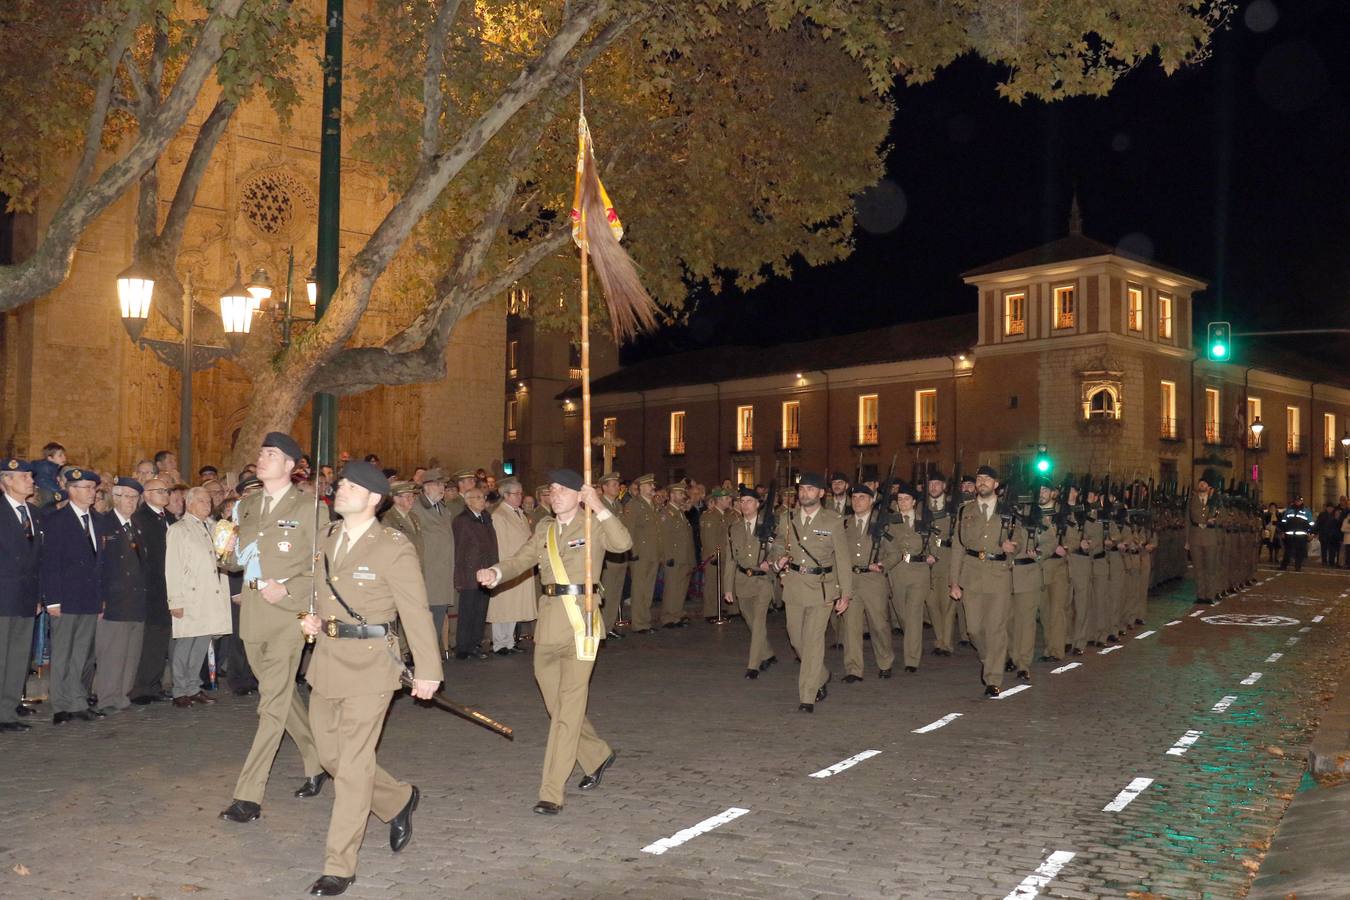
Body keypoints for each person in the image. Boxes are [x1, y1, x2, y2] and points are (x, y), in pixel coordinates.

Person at [296, 462, 441, 896]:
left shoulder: (393, 546)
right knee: (330, 756)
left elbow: (415, 610)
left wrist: (429, 670)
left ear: (374, 499)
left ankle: (339, 864)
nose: (340, 489)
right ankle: (397, 799)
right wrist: (310, 618)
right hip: (326, 661)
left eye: (351, 486)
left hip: (372, 664)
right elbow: (317, 593)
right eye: (340, 484)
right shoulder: (327, 538)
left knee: (355, 767)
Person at [478, 469, 630, 815]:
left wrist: (600, 506)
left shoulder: (593, 525)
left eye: (563, 489)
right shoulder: (545, 529)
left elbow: (623, 544)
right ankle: (597, 754)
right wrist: (496, 573)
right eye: (552, 490)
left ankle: (551, 791)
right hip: (548, 626)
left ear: (580, 494)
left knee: (566, 712)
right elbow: (521, 559)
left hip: (582, 625)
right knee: (556, 706)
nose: (554, 494)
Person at [219, 432, 328, 824]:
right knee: (281, 697)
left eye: (271, 454)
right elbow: (236, 561)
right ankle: (317, 760)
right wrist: (225, 550)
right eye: (261, 451)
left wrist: (290, 589)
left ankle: (248, 795)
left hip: (288, 615)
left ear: (290, 466)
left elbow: (321, 563)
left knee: (269, 707)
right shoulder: (246, 506)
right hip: (252, 612)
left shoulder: (311, 507)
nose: (262, 458)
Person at [770, 472, 851, 713]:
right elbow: (775, 546)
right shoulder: (787, 518)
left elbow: (843, 559)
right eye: (802, 489)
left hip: (822, 588)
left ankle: (807, 695)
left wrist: (845, 593)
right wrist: (777, 563)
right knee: (796, 640)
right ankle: (822, 675)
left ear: (821, 493)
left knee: (814, 642)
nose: (805, 493)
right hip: (794, 585)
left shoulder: (832, 520)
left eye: (810, 489)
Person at [39, 467, 108, 723]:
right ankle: (60, 705)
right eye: (86, 488)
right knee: (63, 653)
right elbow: (51, 563)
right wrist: (53, 599)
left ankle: (77, 700)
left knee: (81, 654)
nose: (92, 493)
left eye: (93, 488)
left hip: (89, 598)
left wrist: (101, 599)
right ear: (71, 490)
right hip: (66, 598)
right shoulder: (56, 521)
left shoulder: (98, 521)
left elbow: (99, 564)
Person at [949, 465, 1014, 697]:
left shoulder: (1009, 510)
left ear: (996, 484)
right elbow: (957, 547)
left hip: (998, 574)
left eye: (987, 479)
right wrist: (954, 582)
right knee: (974, 629)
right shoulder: (965, 511)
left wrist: (1011, 548)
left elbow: (1023, 539)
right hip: (972, 573)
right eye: (979, 479)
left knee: (995, 628)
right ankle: (990, 659)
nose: (982, 482)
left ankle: (993, 678)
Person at [166, 487, 232, 707]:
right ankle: (179, 689)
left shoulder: (214, 527)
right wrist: (175, 600)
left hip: (210, 595)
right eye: (202, 501)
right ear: (189, 503)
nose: (207, 505)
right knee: (185, 643)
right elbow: (173, 567)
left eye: (209, 501)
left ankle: (194, 686)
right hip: (190, 595)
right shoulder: (179, 530)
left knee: (202, 643)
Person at [93, 477, 148, 714]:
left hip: (135, 599)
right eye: (126, 497)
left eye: (135, 497)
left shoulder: (136, 525)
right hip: (114, 598)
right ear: (115, 498)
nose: (131, 501)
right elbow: (99, 565)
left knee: (131, 652)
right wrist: (100, 598)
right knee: (112, 652)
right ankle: (107, 697)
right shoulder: (104, 524)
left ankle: (122, 695)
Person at [0, 459, 41, 733]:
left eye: (29, 475)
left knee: (17, 657)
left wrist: (39, 595)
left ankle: (8, 710)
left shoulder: (34, 514)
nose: (30, 480)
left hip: (26, 596)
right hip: (3, 594)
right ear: (5, 481)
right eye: (23, 476)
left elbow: (39, 559)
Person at [843, 484, 899, 681]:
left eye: (862, 497)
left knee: (879, 625)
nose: (857, 501)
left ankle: (885, 661)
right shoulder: (845, 524)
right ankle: (853, 669)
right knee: (851, 627)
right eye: (855, 497)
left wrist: (883, 564)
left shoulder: (881, 524)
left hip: (874, 580)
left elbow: (895, 553)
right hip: (850, 580)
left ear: (871, 500)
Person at [723, 486, 777, 679]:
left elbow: (779, 549)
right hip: (742, 580)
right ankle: (768, 653)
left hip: (763, 580)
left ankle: (753, 665)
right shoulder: (734, 528)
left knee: (759, 621)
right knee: (751, 622)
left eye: (749, 501)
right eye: (742, 501)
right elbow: (730, 559)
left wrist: (769, 562)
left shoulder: (768, 525)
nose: (745, 505)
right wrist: (727, 588)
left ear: (758, 504)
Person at [409, 469, 455, 659]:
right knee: (425, 618)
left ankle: (430, 655)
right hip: (428, 574)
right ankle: (421, 657)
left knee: (437, 615)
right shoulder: (417, 509)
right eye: (438, 484)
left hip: (442, 574)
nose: (442, 488)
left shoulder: (443, 509)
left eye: (443, 485)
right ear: (426, 487)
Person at [882, 484, 927, 675]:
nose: (902, 502)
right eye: (899, 499)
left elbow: (936, 541)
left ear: (914, 502)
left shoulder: (923, 520)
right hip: (897, 571)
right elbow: (885, 545)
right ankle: (913, 644)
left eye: (906, 499)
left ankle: (912, 659)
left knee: (914, 614)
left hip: (919, 571)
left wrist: (934, 554)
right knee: (902, 615)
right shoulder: (890, 522)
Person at [488, 479, 534, 655]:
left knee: (515, 605)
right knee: (503, 605)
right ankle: (499, 642)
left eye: (521, 493)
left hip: (520, 563)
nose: (520, 496)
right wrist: (506, 566)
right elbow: (500, 544)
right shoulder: (499, 515)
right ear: (505, 495)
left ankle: (510, 640)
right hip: (508, 563)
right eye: (516, 493)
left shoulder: (519, 513)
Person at [452, 487, 497, 660]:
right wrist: (459, 576)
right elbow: (460, 550)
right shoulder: (462, 521)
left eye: (483, 497)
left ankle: (475, 644)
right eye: (478, 497)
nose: (482, 500)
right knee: (468, 611)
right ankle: (463, 647)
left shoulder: (485, 518)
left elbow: (492, 545)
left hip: (487, 571)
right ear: (468, 501)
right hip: (470, 573)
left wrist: (495, 567)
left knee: (480, 610)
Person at [622, 474, 662, 633]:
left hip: (652, 553)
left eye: (653, 485)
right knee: (639, 590)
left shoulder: (652, 505)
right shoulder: (634, 505)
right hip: (640, 554)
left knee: (648, 589)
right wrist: (632, 552)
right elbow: (629, 529)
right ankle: (639, 624)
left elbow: (657, 532)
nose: (653, 487)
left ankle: (645, 620)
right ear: (641, 487)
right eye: (649, 485)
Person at [659, 483, 696, 628]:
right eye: (680, 494)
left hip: (683, 556)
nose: (683, 496)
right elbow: (665, 537)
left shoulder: (680, 513)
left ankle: (677, 613)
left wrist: (690, 558)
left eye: (683, 494)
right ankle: (668, 617)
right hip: (673, 557)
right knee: (672, 588)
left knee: (681, 588)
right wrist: (667, 556)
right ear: (672, 495)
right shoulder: (666, 513)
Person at [596, 473, 628, 639]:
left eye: (618, 484)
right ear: (604, 487)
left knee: (615, 593)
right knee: (604, 594)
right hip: (607, 556)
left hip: (620, 555)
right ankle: (600, 628)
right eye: (614, 484)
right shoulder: (599, 505)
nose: (617, 487)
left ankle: (608, 625)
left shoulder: (617, 505)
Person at [699, 488, 736, 622]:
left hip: (726, 555)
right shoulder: (709, 515)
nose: (730, 500)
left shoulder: (727, 515)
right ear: (719, 500)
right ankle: (711, 612)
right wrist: (713, 555)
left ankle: (726, 608)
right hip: (714, 556)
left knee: (725, 583)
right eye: (726, 499)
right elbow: (708, 539)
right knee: (712, 584)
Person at [1186, 470, 1221, 604]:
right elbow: (1188, 519)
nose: (1201, 485)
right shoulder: (1192, 499)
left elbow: (1222, 517)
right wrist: (1187, 540)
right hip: (1195, 537)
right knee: (1198, 568)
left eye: (1204, 484)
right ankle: (1200, 595)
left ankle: (1210, 595)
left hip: (1210, 537)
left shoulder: (1215, 501)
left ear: (1209, 487)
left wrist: (1215, 521)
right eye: (1200, 483)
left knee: (1210, 568)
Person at [1279, 496, 1314, 572]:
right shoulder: (1289, 510)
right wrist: (1282, 532)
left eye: (1299, 501)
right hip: (1289, 535)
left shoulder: (1306, 511)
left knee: (1300, 552)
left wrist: (1310, 534)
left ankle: (1298, 567)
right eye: (1296, 500)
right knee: (1287, 551)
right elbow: (1284, 522)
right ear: (1294, 501)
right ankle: (1284, 565)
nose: (1298, 502)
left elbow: (1311, 523)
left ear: (1302, 501)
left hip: (1301, 535)